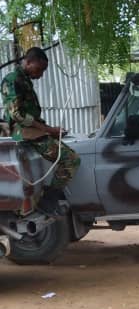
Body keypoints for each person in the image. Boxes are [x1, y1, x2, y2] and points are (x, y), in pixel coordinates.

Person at [1, 46, 80, 215]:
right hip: (23, 133)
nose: (41, 74)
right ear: (28, 62)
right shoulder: (13, 80)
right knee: (71, 160)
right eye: (40, 69)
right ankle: (48, 200)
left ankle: (46, 200)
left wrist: (50, 130)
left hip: (32, 131)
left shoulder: (24, 79)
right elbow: (17, 115)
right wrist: (49, 129)